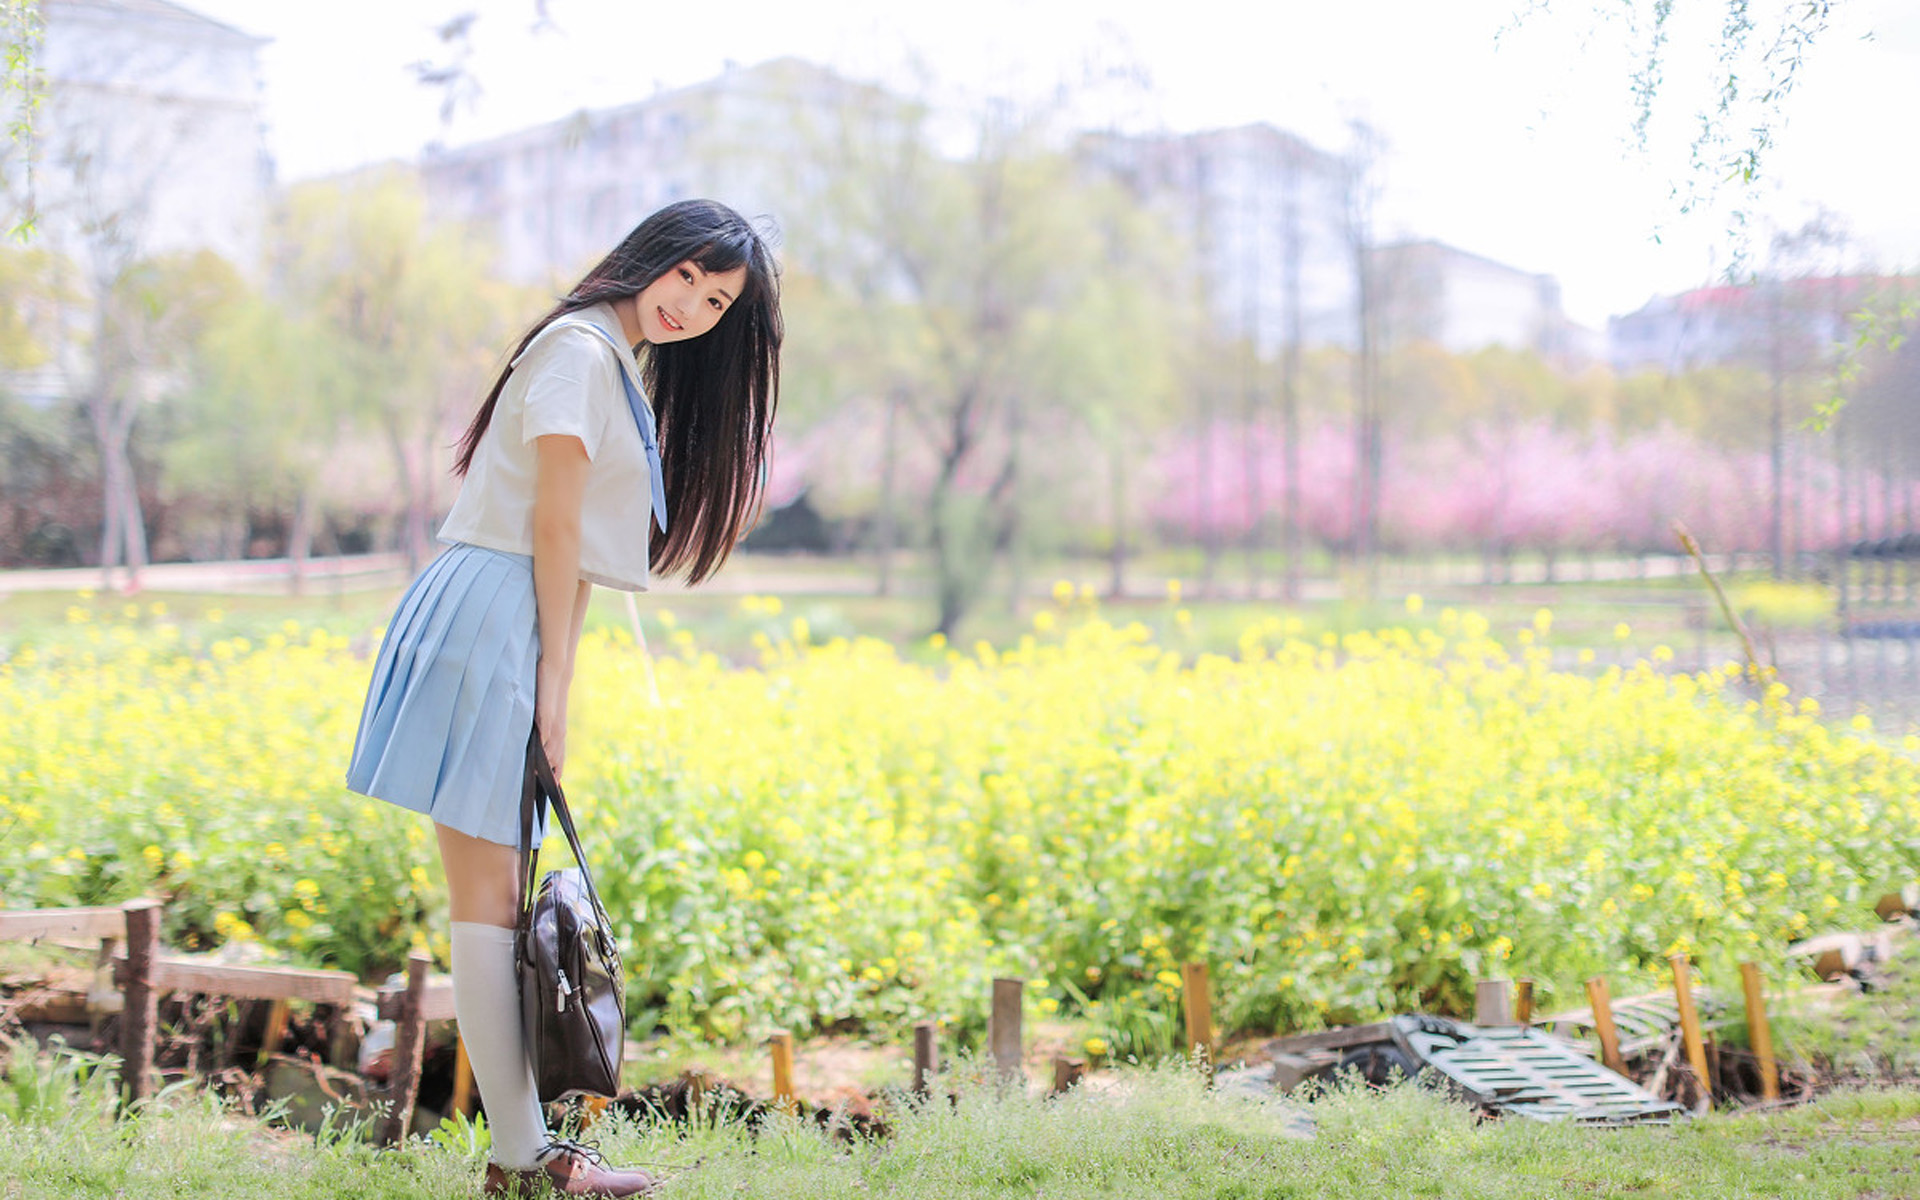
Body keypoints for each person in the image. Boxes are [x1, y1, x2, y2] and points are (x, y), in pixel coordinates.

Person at [345, 198, 781, 1197]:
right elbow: (550, 526)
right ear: (653, 256)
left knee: (495, 897)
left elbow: (578, 552)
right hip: (492, 610)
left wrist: (561, 683)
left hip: (508, 615)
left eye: (717, 302)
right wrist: (550, 686)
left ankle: (526, 1156)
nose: (694, 308)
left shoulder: (605, 362)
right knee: (488, 899)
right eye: (690, 279)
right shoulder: (581, 355)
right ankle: (525, 1159)